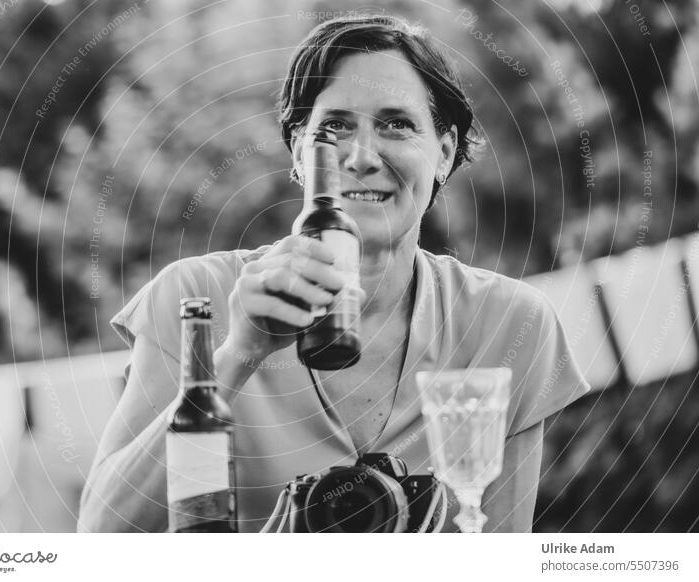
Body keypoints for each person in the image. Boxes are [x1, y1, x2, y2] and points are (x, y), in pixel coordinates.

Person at [78, 14, 589, 533]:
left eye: (396, 123)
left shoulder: (508, 324)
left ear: (445, 152)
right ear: (299, 152)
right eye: (335, 127)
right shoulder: (194, 300)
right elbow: (103, 537)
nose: (362, 156)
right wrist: (238, 356)